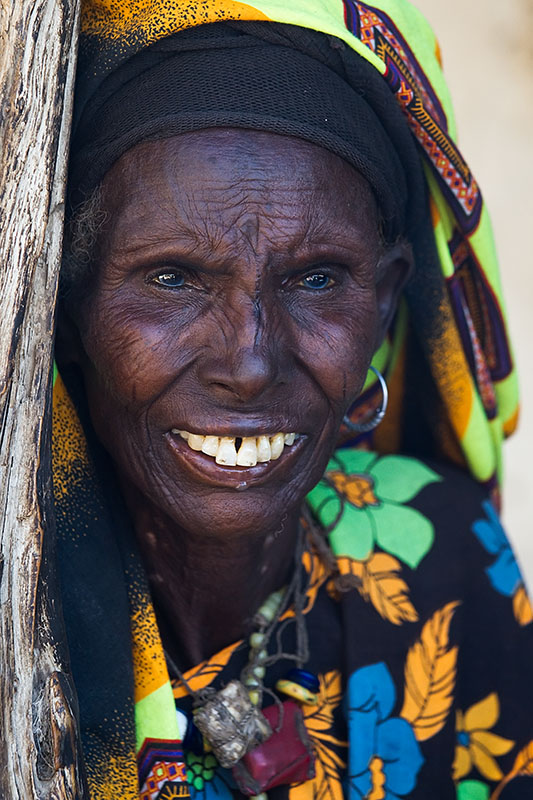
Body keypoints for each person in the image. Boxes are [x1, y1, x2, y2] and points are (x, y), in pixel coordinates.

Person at [53, 1, 533, 799]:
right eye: (172, 278)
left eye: (314, 279)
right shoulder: (25, 630)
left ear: (384, 303)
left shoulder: (437, 555)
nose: (248, 364)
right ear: (69, 311)